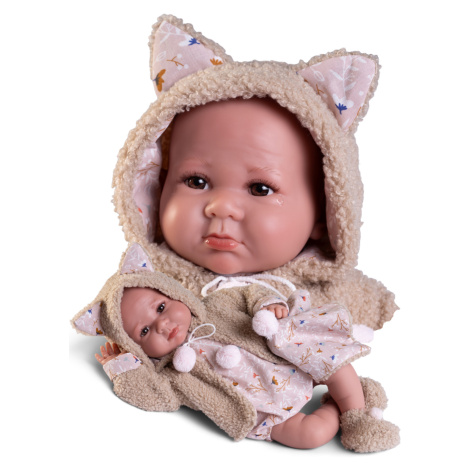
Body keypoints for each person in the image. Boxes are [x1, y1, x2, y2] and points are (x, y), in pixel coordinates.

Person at [95, 280, 375, 449]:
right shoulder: (173, 376)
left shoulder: (216, 305)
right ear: (136, 348)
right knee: (311, 435)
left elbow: (247, 292)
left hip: (291, 360)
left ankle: (357, 418)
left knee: (336, 367)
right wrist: (122, 367)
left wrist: (267, 304)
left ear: (174, 294)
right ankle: (338, 404)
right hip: (266, 412)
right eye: (144, 331)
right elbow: (155, 396)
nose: (163, 324)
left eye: (161, 308)